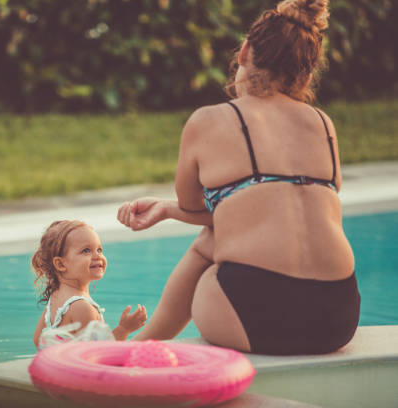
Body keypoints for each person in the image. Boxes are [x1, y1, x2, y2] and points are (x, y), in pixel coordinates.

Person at [117, 0, 360, 355]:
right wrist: (166, 210)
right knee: (231, 231)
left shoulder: (208, 120)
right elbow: (276, 210)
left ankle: (140, 345)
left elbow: (200, 208)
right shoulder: (324, 124)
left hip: (255, 318)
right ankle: (140, 343)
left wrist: (175, 209)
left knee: (210, 239)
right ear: (306, 76)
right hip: (337, 319)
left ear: (244, 51)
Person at [32, 220, 147, 349]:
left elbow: (38, 340)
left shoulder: (56, 297)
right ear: (61, 264)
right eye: (86, 251)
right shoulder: (83, 308)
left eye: (99, 249)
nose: (97, 256)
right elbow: (98, 352)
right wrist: (124, 329)